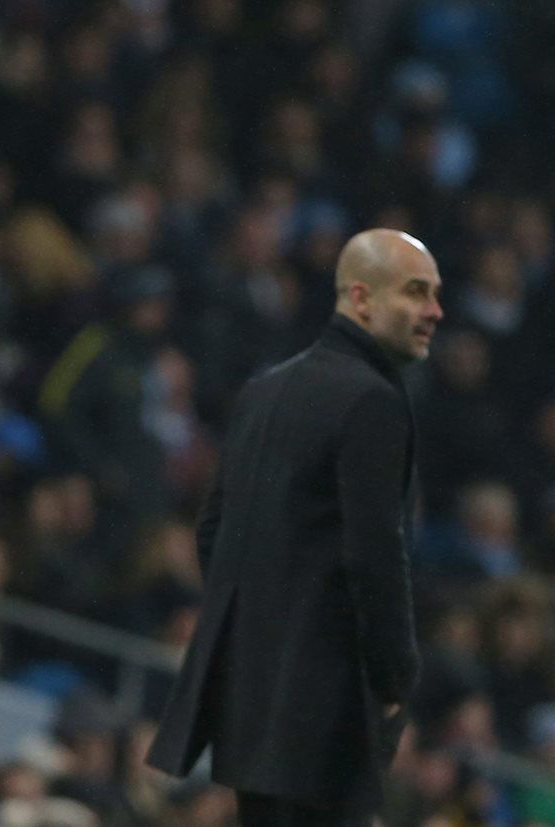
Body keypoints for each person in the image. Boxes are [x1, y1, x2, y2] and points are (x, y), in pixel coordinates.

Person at [146, 229, 444, 826]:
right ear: (360, 298)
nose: (435, 312)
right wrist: (395, 679)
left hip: (249, 700)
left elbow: (212, 530)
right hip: (325, 714)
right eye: (416, 293)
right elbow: (376, 556)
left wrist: (264, 633)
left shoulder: (265, 389)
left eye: (435, 295)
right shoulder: (373, 400)